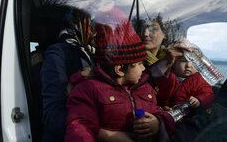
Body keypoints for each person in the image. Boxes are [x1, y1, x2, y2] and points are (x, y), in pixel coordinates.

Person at [65, 8, 175, 142]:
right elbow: (80, 128)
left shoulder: (145, 87)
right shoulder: (89, 90)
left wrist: (158, 123)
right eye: (139, 63)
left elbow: (158, 111)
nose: (143, 68)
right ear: (119, 70)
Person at [40, 4, 96, 142]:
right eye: (93, 23)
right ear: (80, 24)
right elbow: (53, 115)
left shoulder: (96, 53)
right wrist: (101, 132)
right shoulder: (58, 53)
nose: (97, 30)